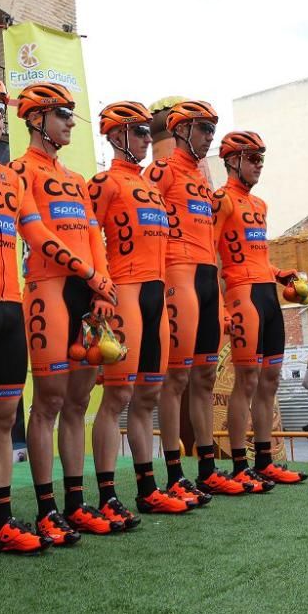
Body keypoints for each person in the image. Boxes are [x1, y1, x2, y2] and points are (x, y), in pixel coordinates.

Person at [0, 73, 117, 573]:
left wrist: (91, 276)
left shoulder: (10, 178)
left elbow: (34, 230)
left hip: (10, 306)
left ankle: (1, 523)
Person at [9, 82, 124, 541]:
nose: (71, 123)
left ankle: (76, 504)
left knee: (79, 402)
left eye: (72, 116)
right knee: (50, 402)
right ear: (37, 120)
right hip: (48, 289)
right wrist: (86, 273)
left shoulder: (77, 179)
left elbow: (94, 235)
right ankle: (45, 508)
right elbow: (35, 234)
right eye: (62, 115)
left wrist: (102, 284)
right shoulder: (20, 170)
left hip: (88, 292)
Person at [88, 102, 189, 517]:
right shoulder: (104, 182)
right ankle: (107, 494)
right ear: (115, 136)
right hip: (124, 293)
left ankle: (148, 488)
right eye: (140, 132)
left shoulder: (149, 186)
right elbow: (87, 238)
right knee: (118, 396)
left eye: (149, 132)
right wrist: (96, 294)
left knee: (148, 394)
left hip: (156, 295)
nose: (148, 139)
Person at [143, 100, 237, 501]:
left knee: (203, 377)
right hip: (177, 274)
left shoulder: (201, 180)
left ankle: (206, 468)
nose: (209, 138)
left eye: (212, 131)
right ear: (181, 131)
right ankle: (173, 471)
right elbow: (141, 219)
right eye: (202, 130)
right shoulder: (160, 171)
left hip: (206, 278)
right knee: (175, 378)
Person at [216, 131, 308, 490]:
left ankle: (266, 460)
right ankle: (240, 465)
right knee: (247, 380)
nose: (259, 166)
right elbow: (212, 253)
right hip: (241, 295)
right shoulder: (221, 200)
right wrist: (221, 305)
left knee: (269, 382)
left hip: (267, 295)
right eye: (252, 159)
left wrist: (281, 273)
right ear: (233, 160)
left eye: (261, 160)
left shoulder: (260, 206)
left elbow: (259, 258)